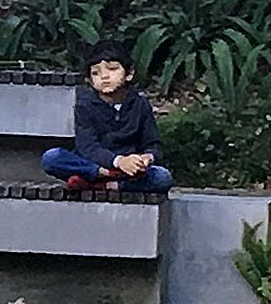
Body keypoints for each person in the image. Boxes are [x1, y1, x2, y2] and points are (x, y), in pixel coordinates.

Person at [43, 40, 174, 192]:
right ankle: (104, 176)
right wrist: (117, 162)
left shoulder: (140, 104)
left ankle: (105, 184)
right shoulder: (85, 106)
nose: (104, 76)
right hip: (96, 164)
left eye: (112, 69)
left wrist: (147, 158)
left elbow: (153, 144)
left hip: (130, 170)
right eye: (95, 73)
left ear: (129, 74)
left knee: (163, 177)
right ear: (90, 81)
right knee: (51, 158)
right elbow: (88, 147)